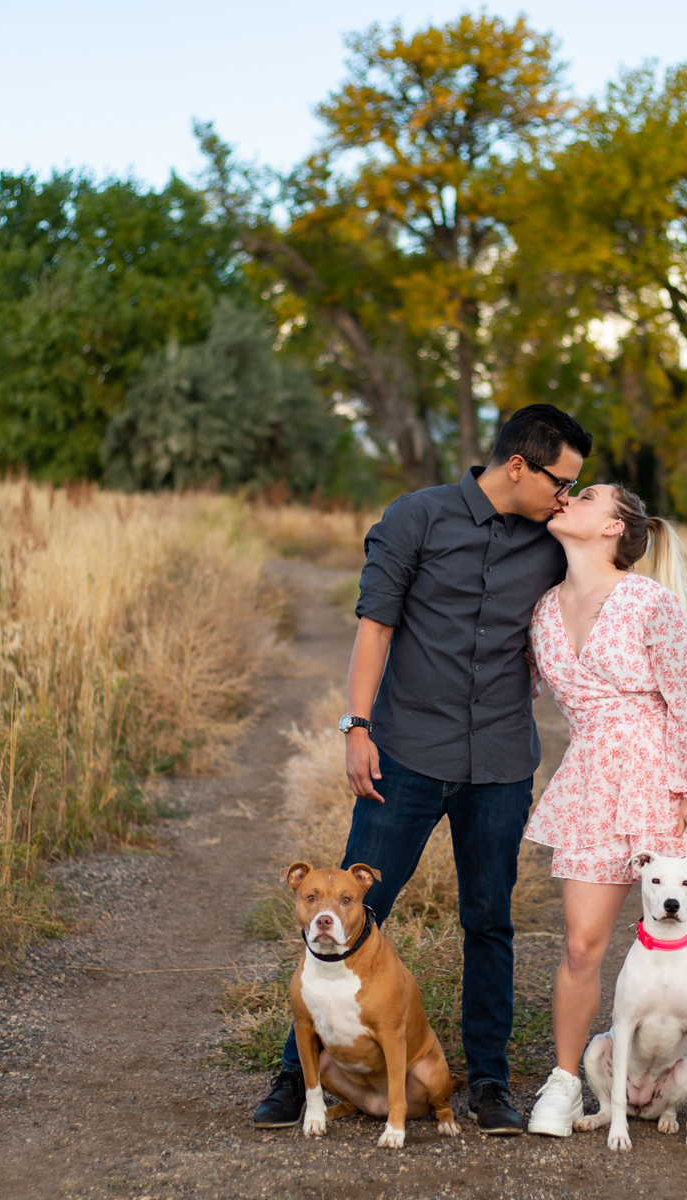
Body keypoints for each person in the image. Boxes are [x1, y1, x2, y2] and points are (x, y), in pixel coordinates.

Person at [252, 404, 593, 1136]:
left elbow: (612, 558)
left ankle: (492, 1083)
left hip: (500, 760)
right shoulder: (417, 518)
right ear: (516, 467)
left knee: (489, 921)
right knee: (346, 906)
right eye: (559, 481)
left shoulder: (551, 541)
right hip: (403, 755)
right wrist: (357, 726)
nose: (565, 495)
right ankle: (294, 1072)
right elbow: (375, 625)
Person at [519, 483, 687, 1147]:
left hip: (665, 777)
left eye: (587, 494)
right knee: (581, 944)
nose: (568, 496)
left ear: (613, 528)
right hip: (594, 780)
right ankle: (567, 1082)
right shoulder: (542, 610)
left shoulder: (649, 601)